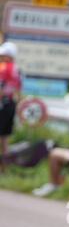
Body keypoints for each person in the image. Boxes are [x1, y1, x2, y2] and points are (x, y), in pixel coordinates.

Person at [0, 42, 22, 172]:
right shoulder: (17, 70)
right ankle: (5, 168)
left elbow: (1, 89)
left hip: (2, 104)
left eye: (3, 55)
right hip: (11, 105)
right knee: (5, 138)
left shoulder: (4, 68)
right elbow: (18, 91)